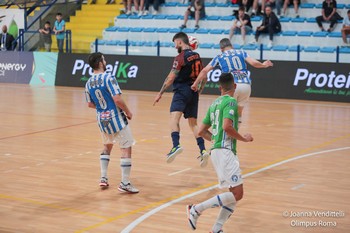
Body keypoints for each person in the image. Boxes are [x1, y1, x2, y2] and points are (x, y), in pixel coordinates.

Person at [187, 72, 254, 233]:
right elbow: (227, 127)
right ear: (235, 86)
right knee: (238, 194)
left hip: (218, 151)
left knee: (234, 194)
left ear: (219, 88)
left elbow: (201, 131)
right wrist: (243, 139)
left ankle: (216, 228)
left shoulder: (214, 103)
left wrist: (216, 140)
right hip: (224, 152)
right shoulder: (231, 102)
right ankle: (196, 209)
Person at [84, 52, 139, 194]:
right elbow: (117, 99)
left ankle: (103, 177)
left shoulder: (88, 82)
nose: (105, 61)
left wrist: (103, 109)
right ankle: (125, 183)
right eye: (104, 59)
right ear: (100, 63)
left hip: (102, 119)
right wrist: (128, 111)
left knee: (107, 146)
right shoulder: (109, 78)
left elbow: (90, 104)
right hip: (116, 118)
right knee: (126, 147)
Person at [153, 32, 209, 167]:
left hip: (182, 91)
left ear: (179, 42)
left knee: (174, 118)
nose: (174, 46)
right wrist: (199, 91)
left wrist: (160, 93)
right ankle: (203, 150)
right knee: (193, 124)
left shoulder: (180, 57)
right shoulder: (197, 56)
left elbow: (171, 77)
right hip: (193, 91)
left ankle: (176, 145)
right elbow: (204, 76)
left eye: (175, 43)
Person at [191, 38, 273, 124]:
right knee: (239, 113)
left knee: (225, 113)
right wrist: (263, 65)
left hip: (231, 86)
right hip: (246, 85)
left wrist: (195, 83)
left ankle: (225, 135)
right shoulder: (241, 52)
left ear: (221, 49)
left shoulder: (219, 56)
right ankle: (234, 134)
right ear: (232, 46)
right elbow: (254, 63)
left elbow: (205, 71)